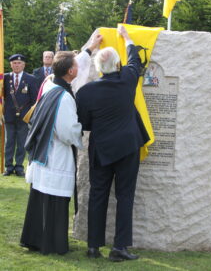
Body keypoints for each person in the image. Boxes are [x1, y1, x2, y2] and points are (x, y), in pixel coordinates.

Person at [20, 34, 102, 255]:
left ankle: (36, 239)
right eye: (75, 65)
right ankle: (52, 244)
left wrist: (89, 50)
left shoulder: (50, 85)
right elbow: (67, 132)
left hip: (43, 153)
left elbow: (72, 67)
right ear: (71, 72)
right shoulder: (64, 98)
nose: (77, 68)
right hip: (56, 154)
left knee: (41, 198)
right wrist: (82, 129)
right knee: (55, 199)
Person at [76, 26, 149, 262]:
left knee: (98, 194)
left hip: (101, 148)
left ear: (98, 68)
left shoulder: (86, 92)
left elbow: (85, 123)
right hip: (128, 146)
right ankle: (119, 247)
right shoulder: (127, 80)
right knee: (125, 196)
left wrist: (91, 47)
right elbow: (135, 61)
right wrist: (127, 39)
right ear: (117, 65)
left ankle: (93, 246)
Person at [3, 54, 38, 177]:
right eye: (14, 63)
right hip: (9, 115)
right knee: (9, 142)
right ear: (10, 64)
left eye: (19, 63)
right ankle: (8, 166)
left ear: (24, 65)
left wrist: (32, 115)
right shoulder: (5, 78)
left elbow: (34, 99)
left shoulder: (31, 79)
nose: (17, 65)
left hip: (24, 116)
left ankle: (19, 167)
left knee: (22, 142)